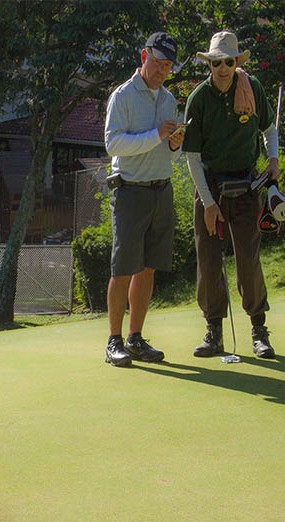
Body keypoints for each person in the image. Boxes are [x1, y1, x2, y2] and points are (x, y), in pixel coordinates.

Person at [182, 31, 279, 359]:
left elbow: (269, 130)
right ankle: (214, 332)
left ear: (236, 62)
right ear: (209, 64)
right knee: (209, 262)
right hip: (209, 186)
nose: (222, 68)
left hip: (246, 186)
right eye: (216, 62)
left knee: (248, 261)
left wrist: (274, 159)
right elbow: (192, 157)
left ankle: (259, 330)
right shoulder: (198, 99)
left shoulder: (253, 89)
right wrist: (208, 204)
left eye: (228, 62)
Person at [103, 32, 186, 367]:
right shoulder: (122, 96)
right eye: (158, 63)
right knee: (123, 269)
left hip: (161, 190)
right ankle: (114, 342)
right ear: (144, 56)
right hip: (130, 191)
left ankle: (135, 339)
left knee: (148, 268)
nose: (162, 71)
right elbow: (113, 145)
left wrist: (175, 143)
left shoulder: (169, 100)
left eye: (168, 66)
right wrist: (157, 135)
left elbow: (170, 153)